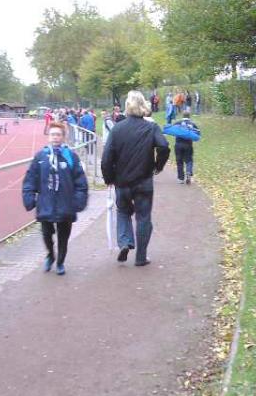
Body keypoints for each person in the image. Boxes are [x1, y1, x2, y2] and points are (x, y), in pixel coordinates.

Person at [101, 91, 170, 266]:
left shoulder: (117, 128)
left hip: (122, 182)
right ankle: (141, 257)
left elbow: (106, 157)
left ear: (126, 106)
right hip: (144, 181)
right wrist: (158, 166)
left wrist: (108, 178)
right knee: (143, 217)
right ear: (143, 106)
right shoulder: (151, 127)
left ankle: (125, 242)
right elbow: (164, 146)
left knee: (123, 212)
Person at [22, 122, 88, 275]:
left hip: (66, 204)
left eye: (58, 134)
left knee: (63, 237)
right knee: (46, 234)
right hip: (46, 204)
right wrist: (29, 197)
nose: (55, 137)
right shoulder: (40, 157)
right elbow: (30, 179)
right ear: (48, 137)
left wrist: (79, 200)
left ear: (63, 137)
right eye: (52, 134)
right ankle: (50, 255)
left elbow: (80, 181)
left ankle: (60, 262)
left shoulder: (70, 156)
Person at [173, 112, 201, 185]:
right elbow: (198, 133)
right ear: (189, 116)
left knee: (179, 161)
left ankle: (181, 178)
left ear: (183, 116)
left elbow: (172, 131)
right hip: (188, 144)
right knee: (189, 160)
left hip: (178, 144)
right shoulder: (192, 124)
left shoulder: (178, 123)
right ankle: (188, 172)